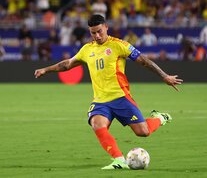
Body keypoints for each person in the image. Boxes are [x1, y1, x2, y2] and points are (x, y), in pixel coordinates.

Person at [34, 14, 183, 170]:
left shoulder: (119, 45)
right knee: (96, 123)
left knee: (143, 132)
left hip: (121, 97)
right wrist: (46, 69)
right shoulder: (87, 49)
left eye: (99, 31)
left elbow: (144, 61)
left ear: (106, 27)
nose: (97, 36)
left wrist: (164, 76)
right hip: (100, 100)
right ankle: (119, 160)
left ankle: (159, 118)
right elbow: (67, 64)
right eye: (93, 33)